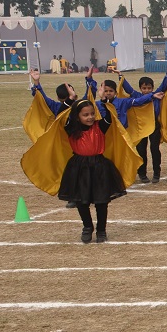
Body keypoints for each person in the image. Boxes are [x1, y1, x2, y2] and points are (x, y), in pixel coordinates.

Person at [21, 98, 137, 244]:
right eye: (85, 115)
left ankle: (101, 230)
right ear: (77, 116)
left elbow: (109, 116)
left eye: (92, 114)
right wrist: (69, 100)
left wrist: (104, 101)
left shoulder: (100, 126)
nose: (90, 117)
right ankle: (87, 227)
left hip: (99, 167)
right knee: (81, 201)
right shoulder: (72, 129)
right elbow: (60, 116)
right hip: (79, 168)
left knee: (101, 202)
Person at [121, 67, 167, 183]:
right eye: (144, 88)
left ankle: (156, 173)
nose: (147, 90)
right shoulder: (137, 96)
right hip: (141, 126)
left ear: (152, 88)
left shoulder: (156, 95)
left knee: (155, 149)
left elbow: (163, 86)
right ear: (140, 88)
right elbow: (128, 89)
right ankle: (142, 173)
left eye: (149, 88)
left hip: (154, 125)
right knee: (141, 150)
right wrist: (121, 77)